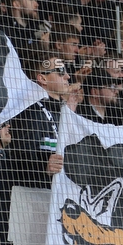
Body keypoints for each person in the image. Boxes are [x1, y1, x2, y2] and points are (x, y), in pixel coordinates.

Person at [7, 52, 76, 182]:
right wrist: (44, 167)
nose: (67, 76)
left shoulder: (64, 113)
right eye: (60, 71)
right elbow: (20, 158)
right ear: (43, 78)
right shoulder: (30, 111)